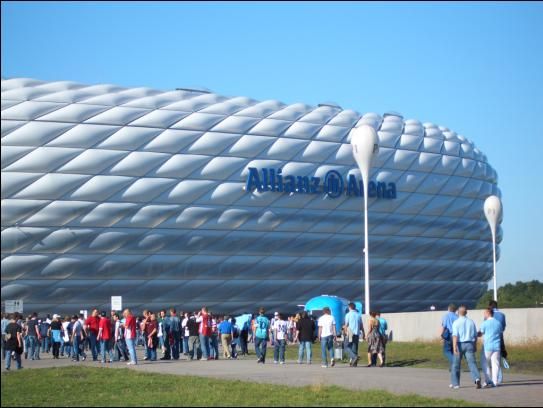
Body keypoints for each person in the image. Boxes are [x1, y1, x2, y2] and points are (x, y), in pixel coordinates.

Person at [451, 305, 481, 390]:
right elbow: (475, 336)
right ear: (466, 312)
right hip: (470, 344)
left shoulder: (456, 322)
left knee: (456, 365)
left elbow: (455, 336)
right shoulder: (471, 322)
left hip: (460, 344)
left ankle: (456, 384)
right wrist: (475, 345)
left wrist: (454, 347)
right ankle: (477, 378)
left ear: (458, 313)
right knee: (472, 363)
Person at [478, 307, 503, 388]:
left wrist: (475, 334)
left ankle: (488, 380)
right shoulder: (498, 323)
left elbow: (480, 333)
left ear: (488, 313)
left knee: (484, 363)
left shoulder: (485, 323)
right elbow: (500, 332)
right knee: (495, 364)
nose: (484, 314)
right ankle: (495, 382)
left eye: (485, 313)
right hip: (496, 346)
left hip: (487, 346)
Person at [489, 300, 506, 384]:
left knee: (489, 359)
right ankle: (499, 377)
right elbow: (503, 327)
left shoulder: (489, 315)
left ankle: (493, 378)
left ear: (490, 306)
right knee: (497, 357)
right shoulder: (502, 315)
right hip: (500, 336)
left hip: (490, 338)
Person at [344, 303, 363, 367]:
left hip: (350, 332)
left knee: (346, 346)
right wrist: (364, 333)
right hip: (357, 332)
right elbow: (361, 326)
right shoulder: (358, 315)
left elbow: (346, 325)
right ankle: (354, 363)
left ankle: (354, 357)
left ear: (349, 307)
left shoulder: (348, 314)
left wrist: (344, 331)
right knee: (354, 347)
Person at [440, 304, 458, 370]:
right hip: (456, 335)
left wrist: (441, 335)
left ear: (448, 309)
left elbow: (444, 326)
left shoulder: (446, 316)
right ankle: (452, 367)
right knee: (453, 351)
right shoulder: (457, 316)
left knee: (446, 351)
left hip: (449, 335)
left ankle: (455, 362)